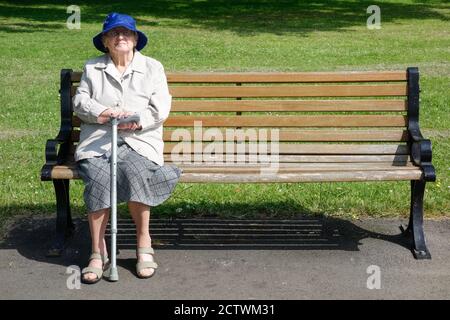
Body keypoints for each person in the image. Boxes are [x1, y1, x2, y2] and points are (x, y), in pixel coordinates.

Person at [73, 12, 181, 284]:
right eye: (114, 33)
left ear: (135, 39)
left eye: (126, 33)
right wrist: (104, 112)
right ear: (106, 42)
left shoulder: (153, 67)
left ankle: (144, 243)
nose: (120, 37)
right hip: (99, 142)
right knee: (99, 177)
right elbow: (80, 102)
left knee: (135, 171)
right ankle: (97, 253)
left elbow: (160, 107)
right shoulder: (92, 68)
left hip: (139, 141)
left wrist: (136, 122)